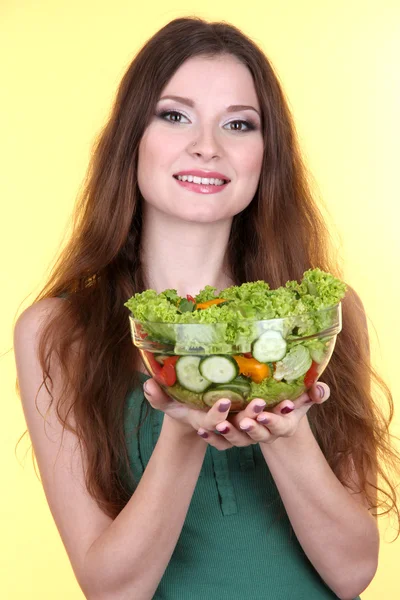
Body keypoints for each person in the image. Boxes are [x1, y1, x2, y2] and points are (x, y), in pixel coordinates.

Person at [13, 16, 400, 600]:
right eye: (174, 115)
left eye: (239, 125)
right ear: (131, 139)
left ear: (266, 155)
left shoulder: (323, 314)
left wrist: (286, 431)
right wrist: (182, 428)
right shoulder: (57, 331)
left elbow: (352, 574)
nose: (207, 146)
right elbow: (113, 591)